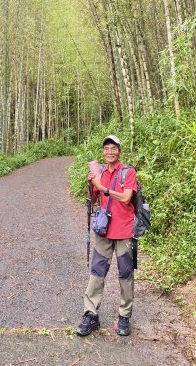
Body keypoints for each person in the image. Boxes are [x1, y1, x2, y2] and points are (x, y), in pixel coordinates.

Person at [76, 134, 137, 337]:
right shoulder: (100, 171)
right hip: (103, 230)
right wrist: (92, 185)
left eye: (113, 148)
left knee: (125, 274)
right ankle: (91, 314)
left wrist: (104, 188)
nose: (109, 152)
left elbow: (127, 198)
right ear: (103, 152)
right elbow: (94, 199)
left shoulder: (128, 172)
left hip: (124, 230)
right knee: (97, 272)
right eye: (106, 149)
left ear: (119, 151)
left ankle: (124, 316)